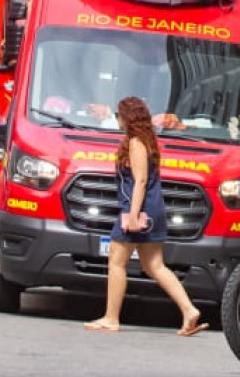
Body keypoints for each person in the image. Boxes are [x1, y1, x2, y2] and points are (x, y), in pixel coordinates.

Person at [83, 96, 207, 336]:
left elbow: (139, 181)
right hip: (152, 209)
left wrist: (132, 215)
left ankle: (111, 317)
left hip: (139, 210)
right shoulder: (147, 141)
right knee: (155, 265)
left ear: (127, 119)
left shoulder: (136, 143)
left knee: (117, 262)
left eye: (120, 116)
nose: (117, 121)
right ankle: (189, 309)